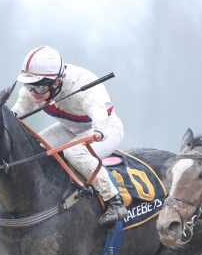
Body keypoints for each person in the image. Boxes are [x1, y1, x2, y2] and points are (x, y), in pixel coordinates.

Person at [11, 45, 128, 227]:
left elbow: (99, 114)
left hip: (106, 129)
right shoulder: (34, 88)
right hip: (70, 128)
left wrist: (99, 131)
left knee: (75, 152)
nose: (33, 93)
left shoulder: (83, 83)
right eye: (29, 86)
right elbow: (16, 115)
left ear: (56, 82)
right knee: (35, 149)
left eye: (39, 88)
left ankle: (114, 202)